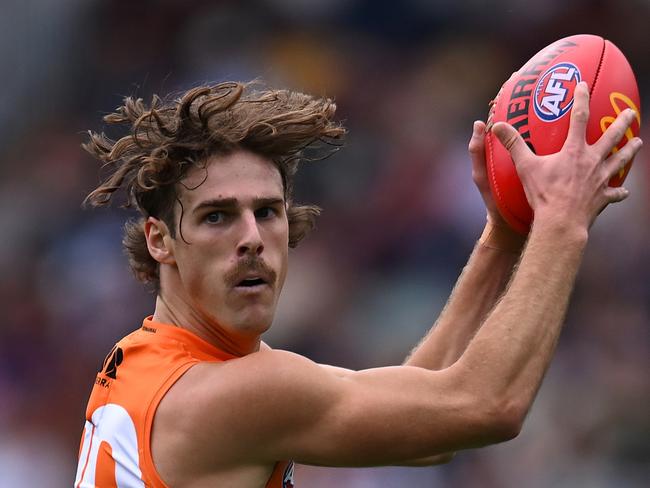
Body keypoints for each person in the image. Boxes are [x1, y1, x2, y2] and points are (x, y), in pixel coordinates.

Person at [74, 80, 641, 488]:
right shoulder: (238, 393)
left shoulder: (144, 359)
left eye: (268, 212)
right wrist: (562, 221)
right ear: (158, 240)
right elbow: (486, 405)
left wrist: (504, 235)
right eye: (217, 216)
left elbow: (428, 424)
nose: (251, 237)